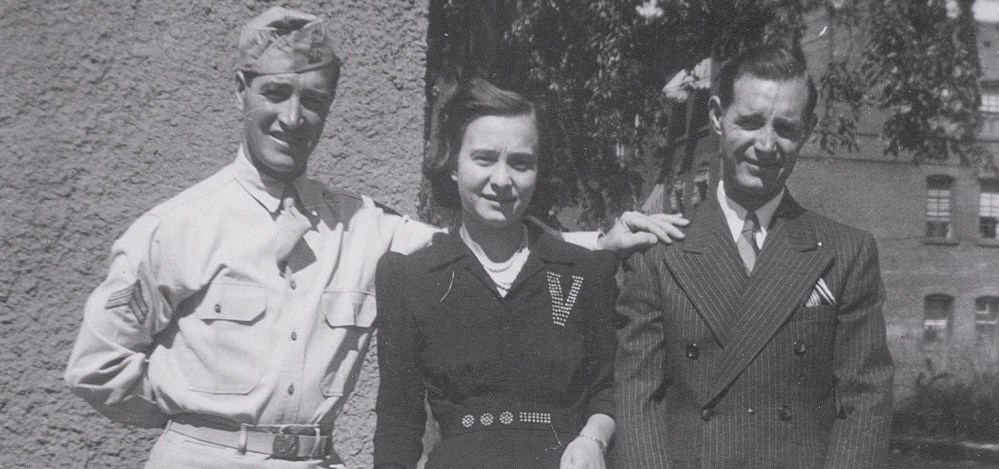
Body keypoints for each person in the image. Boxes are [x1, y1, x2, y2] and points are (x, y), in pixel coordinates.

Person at [63, 7, 685, 468]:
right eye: (275, 93)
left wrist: (600, 243)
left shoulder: (362, 226)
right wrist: (195, 418)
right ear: (241, 92)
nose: (292, 117)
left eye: (312, 99)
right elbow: (97, 368)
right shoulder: (176, 227)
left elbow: (485, 237)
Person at [615, 44, 894, 469]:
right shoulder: (660, 253)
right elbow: (638, 403)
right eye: (749, 122)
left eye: (785, 128)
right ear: (715, 117)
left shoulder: (845, 253)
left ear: (808, 129)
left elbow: (866, 404)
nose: (766, 145)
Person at [372, 78, 617, 469]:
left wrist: (593, 439)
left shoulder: (584, 273)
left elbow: (606, 388)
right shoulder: (412, 279)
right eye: (484, 158)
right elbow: (398, 427)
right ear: (453, 165)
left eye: (521, 162)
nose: (502, 180)